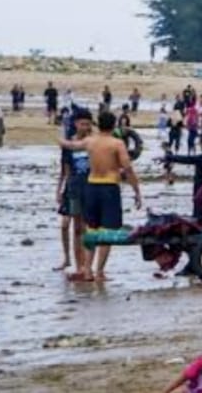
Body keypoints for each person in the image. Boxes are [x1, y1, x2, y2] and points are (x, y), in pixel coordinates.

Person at [63, 111, 142, 281]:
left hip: (91, 186)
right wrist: (137, 191)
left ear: (97, 125)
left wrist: (59, 139)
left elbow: (71, 146)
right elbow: (128, 168)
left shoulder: (90, 141)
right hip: (108, 187)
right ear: (114, 126)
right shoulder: (117, 144)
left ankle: (87, 270)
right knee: (108, 231)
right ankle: (99, 271)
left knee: (91, 229)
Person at [56, 108, 93, 279]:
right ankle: (78, 265)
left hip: (91, 188)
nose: (84, 127)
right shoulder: (69, 145)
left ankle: (87, 265)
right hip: (74, 188)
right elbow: (65, 170)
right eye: (82, 123)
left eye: (87, 123)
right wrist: (60, 190)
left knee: (88, 228)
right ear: (76, 124)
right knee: (77, 228)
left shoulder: (94, 142)